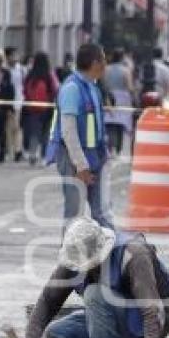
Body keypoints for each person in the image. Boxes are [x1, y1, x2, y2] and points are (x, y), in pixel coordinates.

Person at [24, 217, 169, 338]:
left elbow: (151, 308)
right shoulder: (74, 259)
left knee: (95, 294)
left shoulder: (133, 254)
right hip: (123, 320)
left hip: (153, 321)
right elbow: (48, 301)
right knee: (58, 333)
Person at [45, 43, 112, 229]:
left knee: (101, 212)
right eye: (103, 59)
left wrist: (103, 156)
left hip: (93, 157)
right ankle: (69, 256)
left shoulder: (92, 87)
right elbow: (68, 131)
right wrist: (80, 165)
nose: (106, 64)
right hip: (73, 158)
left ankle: (113, 254)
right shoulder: (72, 89)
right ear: (94, 63)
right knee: (74, 214)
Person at [23, 52, 58, 165]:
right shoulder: (49, 75)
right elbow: (55, 89)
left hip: (32, 109)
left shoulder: (30, 75)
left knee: (34, 132)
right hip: (47, 108)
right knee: (46, 133)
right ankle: (44, 157)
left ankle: (32, 154)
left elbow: (24, 90)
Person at [102, 48, 134, 155]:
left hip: (109, 97)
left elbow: (103, 84)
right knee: (121, 123)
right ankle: (118, 148)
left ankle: (109, 146)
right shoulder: (126, 70)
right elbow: (129, 86)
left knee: (109, 121)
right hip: (123, 99)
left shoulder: (106, 69)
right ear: (122, 58)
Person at [5, 47, 26, 162]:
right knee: (9, 127)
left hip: (20, 100)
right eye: (12, 55)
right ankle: (10, 150)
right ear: (7, 57)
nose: (15, 58)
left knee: (18, 127)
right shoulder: (5, 69)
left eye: (16, 55)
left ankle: (18, 150)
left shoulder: (21, 69)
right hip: (8, 101)